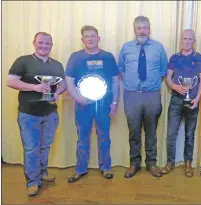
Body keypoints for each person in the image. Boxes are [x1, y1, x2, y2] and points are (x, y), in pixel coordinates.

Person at [7, 32, 66, 196]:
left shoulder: (57, 65)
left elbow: (62, 85)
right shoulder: (23, 61)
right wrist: (35, 88)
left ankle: (42, 173)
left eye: (47, 43)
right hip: (28, 114)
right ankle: (32, 182)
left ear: (51, 45)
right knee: (31, 149)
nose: (44, 46)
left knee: (45, 146)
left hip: (50, 113)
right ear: (34, 43)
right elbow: (10, 81)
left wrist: (57, 93)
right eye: (41, 42)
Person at [65, 25, 120, 183]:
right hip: (83, 105)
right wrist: (78, 98)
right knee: (82, 138)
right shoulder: (75, 57)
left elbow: (116, 80)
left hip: (104, 105)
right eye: (87, 36)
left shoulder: (108, 56)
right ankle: (80, 169)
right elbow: (69, 80)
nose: (90, 38)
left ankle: (106, 168)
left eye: (93, 36)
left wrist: (115, 102)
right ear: (82, 40)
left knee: (104, 137)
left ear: (98, 38)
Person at [118, 16, 168, 178]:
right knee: (134, 131)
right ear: (134, 29)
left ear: (149, 29)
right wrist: (134, 83)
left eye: (145, 27)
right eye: (139, 28)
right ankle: (134, 163)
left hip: (152, 95)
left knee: (151, 131)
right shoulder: (126, 48)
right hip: (131, 95)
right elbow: (121, 70)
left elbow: (162, 71)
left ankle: (151, 163)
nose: (142, 31)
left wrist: (148, 84)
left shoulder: (158, 47)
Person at [161, 29, 201, 178]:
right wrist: (174, 86)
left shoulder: (200, 58)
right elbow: (168, 77)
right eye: (184, 39)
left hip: (192, 101)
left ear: (194, 41)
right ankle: (170, 162)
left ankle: (188, 163)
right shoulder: (174, 57)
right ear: (181, 40)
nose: (187, 41)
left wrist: (197, 99)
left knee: (189, 134)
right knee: (171, 133)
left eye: (190, 39)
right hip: (176, 100)